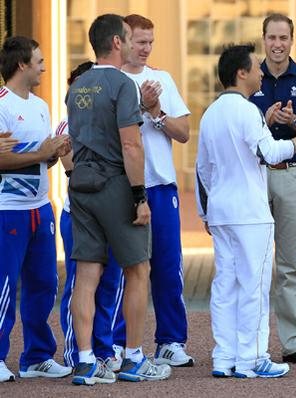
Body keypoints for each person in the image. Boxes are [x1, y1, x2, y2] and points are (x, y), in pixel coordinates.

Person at [196, 43, 296, 379]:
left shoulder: (210, 114)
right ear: (241, 73)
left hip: (222, 211)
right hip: (250, 213)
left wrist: (206, 212)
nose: (260, 72)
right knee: (253, 285)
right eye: (255, 67)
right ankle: (253, 357)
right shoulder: (246, 110)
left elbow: (202, 170)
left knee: (225, 285)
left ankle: (224, 357)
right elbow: (270, 151)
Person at [67, 14, 171, 385]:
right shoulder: (123, 84)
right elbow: (130, 143)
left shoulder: (77, 85)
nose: (132, 44)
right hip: (114, 185)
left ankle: (84, 361)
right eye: (128, 38)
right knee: (138, 269)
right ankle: (134, 358)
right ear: (115, 42)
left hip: (81, 185)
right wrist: (139, 196)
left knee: (87, 274)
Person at [248, 13, 296, 365]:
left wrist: (293, 121)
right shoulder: (249, 79)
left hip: (293, 175)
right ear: (263, 39)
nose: (277, 44)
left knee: (289, 264)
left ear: (292, 40)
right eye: (271, 38)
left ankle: (293, 343)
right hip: (256, 175)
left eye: (283, 38)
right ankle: (251, 342)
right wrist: (266, 120)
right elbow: (241, 132)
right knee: (254, 264)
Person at [118, 13, 194, 367]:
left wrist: (156, 111)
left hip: (162, 189)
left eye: (151, 41)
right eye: (140, 41)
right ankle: (119, 342)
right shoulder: (112, 80)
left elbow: (183, 132)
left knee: (167, 266)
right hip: (123, 188)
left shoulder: (162, 79)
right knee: (124, 269)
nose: (147, 48)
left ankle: (170, 340)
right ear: (122, 40)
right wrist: (138, 106)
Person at [0, 35, 72, 382]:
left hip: (41, 209)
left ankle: (36, 357)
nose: (44, 65)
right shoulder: (0, 104)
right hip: (7, 210)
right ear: (21, 65)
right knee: (4, 286)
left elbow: (41, 160)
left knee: (44, 284)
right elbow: (0, 158)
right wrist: (42, 152)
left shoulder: (42, 106)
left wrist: (55, 153)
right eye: (38, 60)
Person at [57, 61, 126, 372]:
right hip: (80, 216)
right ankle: (76, 351)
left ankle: (103, 349)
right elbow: (75, 171)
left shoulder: (105, 126)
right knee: (81, 283)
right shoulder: (65, 125)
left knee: (110, 284)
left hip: (108, 212)